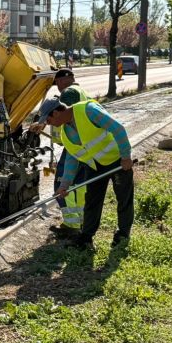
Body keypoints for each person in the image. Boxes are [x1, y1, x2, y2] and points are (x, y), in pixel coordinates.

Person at [38, 96, 134, 250]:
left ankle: (123, 235)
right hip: (95, 166)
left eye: (48, 121)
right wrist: (65, 185)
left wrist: (126, 156)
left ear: (55, 113)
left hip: (118, 161)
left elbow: (117, 129)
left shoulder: (88, 110)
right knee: (92, 202)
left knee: (124, 199)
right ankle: (86, 238)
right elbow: (72, 158)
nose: (49, 124)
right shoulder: (65, 132)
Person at [30, 69, 90, 235]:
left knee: (63, 184)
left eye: (57, 83)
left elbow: (61, 112)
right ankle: (79, 223)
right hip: (80, 145)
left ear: (65, 80)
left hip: (75, 146)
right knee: (77, 185)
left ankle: (72, 225)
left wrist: (42, 124)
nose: (57, 87)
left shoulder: (69, 92)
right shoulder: (80, 91)